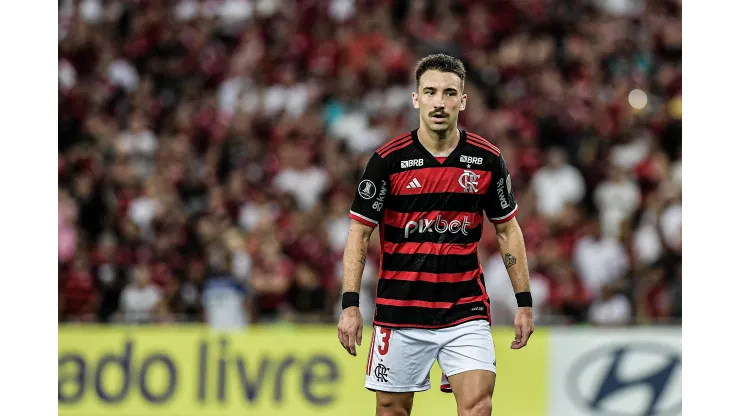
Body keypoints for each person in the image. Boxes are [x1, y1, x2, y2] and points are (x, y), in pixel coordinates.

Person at [337, 53, 535, 416]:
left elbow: (507, 229)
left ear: (463, 100)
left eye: (448, 93)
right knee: (391, 411)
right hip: (400, 312)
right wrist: (350, 304)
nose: (439, 102)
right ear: (416, 98)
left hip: (465, 310)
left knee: (478, 407)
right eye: (430, 92)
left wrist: (524, 302)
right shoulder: (388, 161)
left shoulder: (486, 159)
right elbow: (358, 233)